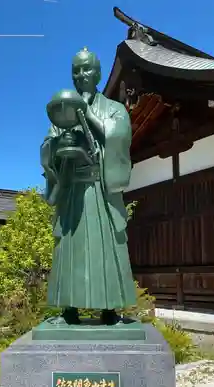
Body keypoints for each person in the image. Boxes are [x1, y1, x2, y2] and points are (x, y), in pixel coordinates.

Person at [40, 47, 136, 325]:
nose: (81, 74)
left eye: (86, 69)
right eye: (76, 70)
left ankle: (110, 310)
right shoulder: (63, 110)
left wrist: (87, 114)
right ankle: (68, 309)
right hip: (73, 191)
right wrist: (58, 147)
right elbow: (48, 145)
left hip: (100, 190)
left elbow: (118, 138)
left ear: (98, 73)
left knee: (107, 247)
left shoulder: (114, 109)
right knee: (70, 247)